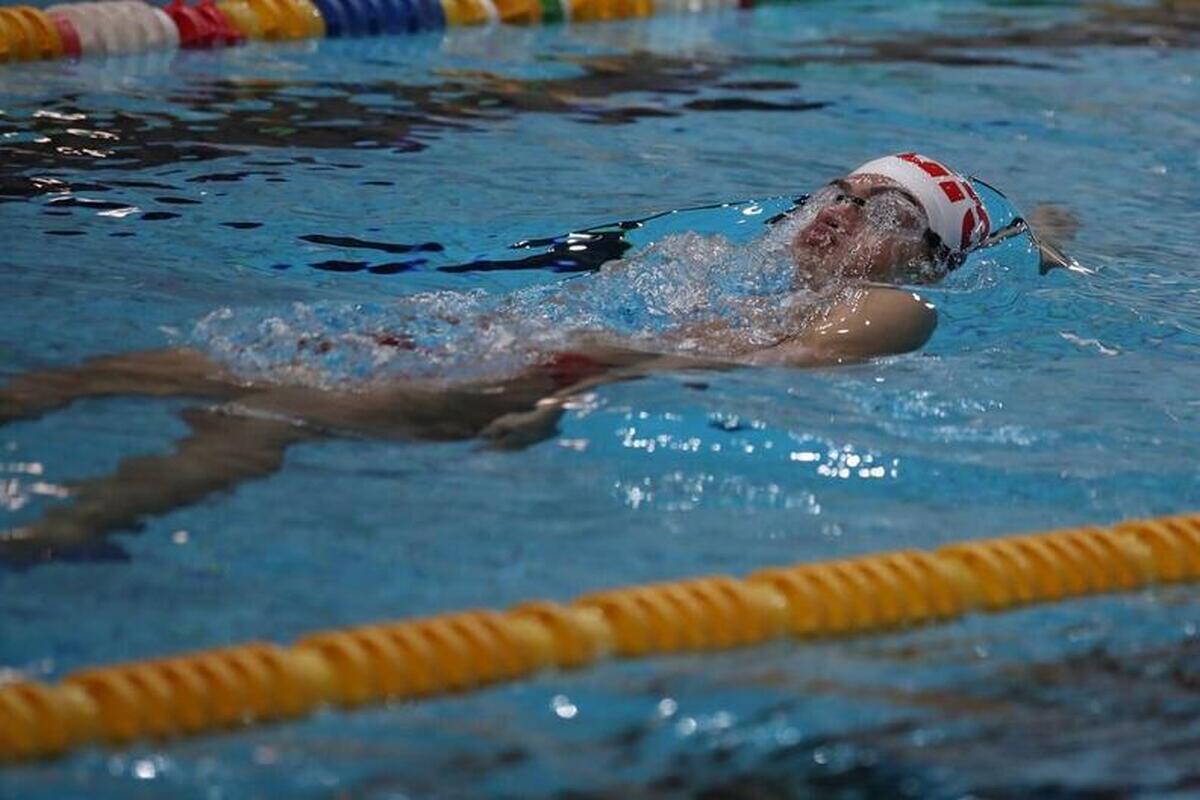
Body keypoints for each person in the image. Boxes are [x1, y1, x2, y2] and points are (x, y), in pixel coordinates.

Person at [0, 153, 1066, 565]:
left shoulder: (889, 308)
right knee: (143, 367)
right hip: (477, 337)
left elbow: (761, 375)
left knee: (260, 414)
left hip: (537, 375)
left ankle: (58, 533)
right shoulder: (719, 261)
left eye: (885, 213)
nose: (839, 214)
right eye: (840, 190)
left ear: (927, 260)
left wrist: (575, 394)